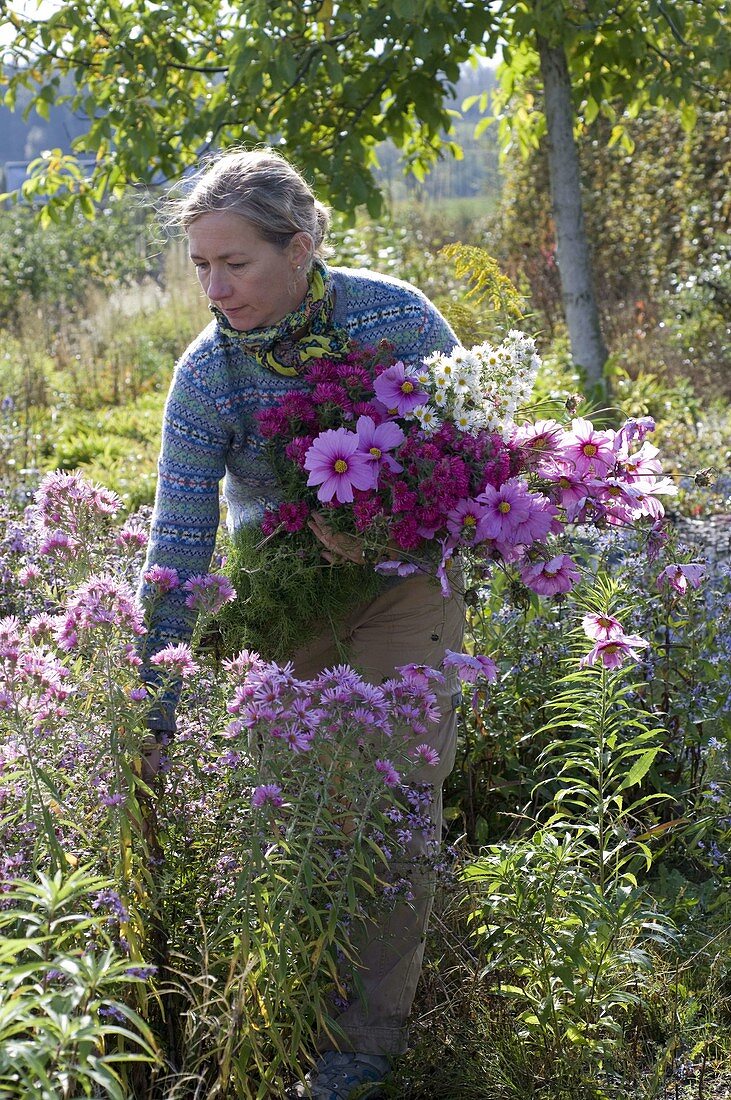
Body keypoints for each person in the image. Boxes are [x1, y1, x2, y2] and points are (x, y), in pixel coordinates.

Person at [139, 147, 465, 1099]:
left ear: (302, 246)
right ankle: (289, 1014)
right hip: (284, 597)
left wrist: (386, 519)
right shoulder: (209, 376)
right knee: (303, 810)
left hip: (406, 585)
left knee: (398, 798)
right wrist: (153, 703)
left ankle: (364, 1048)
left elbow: (469, 448)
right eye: (199, 265)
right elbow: (180, 537)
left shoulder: (395, 319)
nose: (214, 286)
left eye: (233, 263)